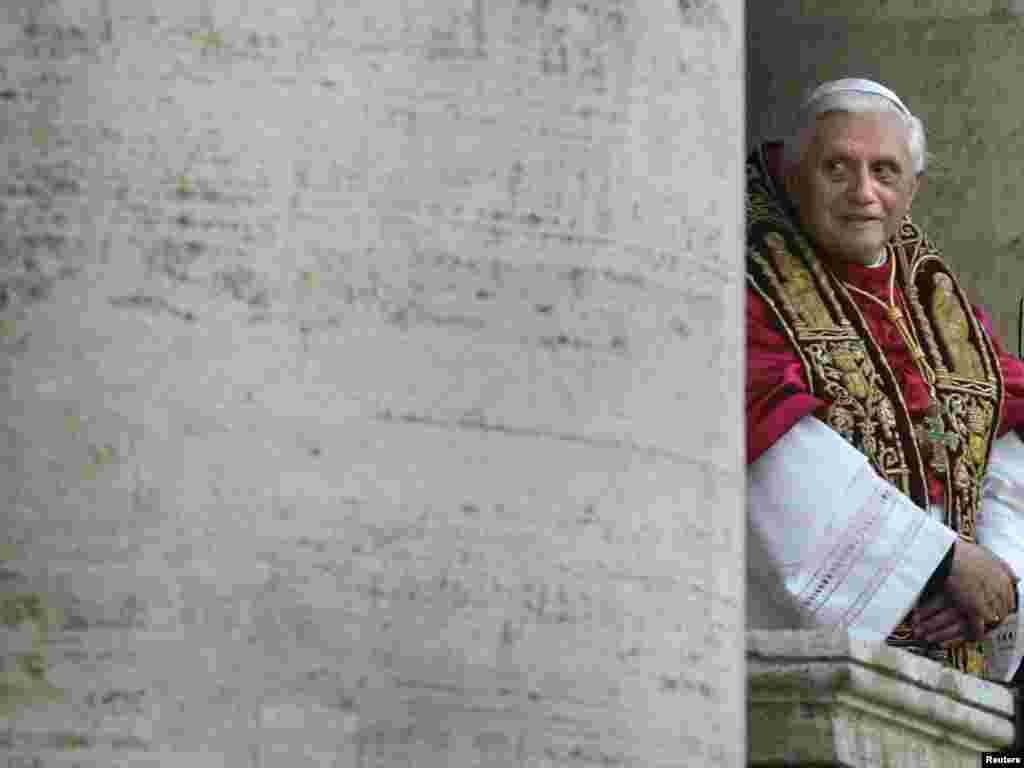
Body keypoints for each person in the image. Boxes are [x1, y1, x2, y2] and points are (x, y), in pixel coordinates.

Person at [746, 78, 1024, 679]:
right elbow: (767, 437)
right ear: (794, 174)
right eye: (837, 168)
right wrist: (937, 562)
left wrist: (998, 574)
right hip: (819, 665)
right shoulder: (749, 282)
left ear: (915, 187)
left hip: (960, 657)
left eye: (885, 171)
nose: (863, 193)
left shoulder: (936, 299)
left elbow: (1004, 444)